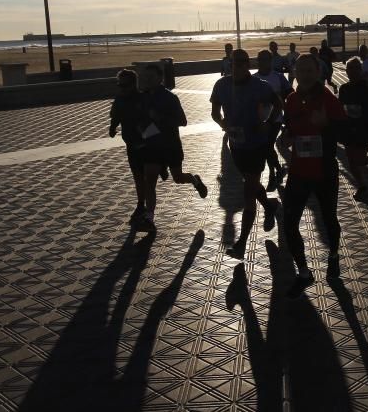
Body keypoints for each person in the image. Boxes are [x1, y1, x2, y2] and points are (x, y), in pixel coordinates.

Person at [282, 54, 348, 297]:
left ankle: (333, 254)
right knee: (289, 223)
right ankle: (303, 272)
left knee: (329, 218)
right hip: (299, 171)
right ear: (295, 72)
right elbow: (290, 128)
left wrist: (326, 126)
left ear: (318, 72)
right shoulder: (290, 99)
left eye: (310, 70)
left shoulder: (328, 99)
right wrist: (286, 137)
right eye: (301, 70)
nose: (305, 74)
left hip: (324, 171)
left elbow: (345, 133)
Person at [210, 48, 283, 258]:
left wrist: (268, 124)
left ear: (248, 63)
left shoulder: (261, 86)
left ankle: (241, 243)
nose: (239, 65)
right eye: (235, 62)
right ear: (230, 63)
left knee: (248, 191)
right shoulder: (222, 85)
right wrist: (224, 125)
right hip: (237, 145)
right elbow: (214, 113)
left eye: (243, 62)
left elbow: (278, 105)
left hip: (257, 145)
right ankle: (270, 205)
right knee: (250, 182)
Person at [137, 63, 208, 230]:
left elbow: (183, 121)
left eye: (151, 77)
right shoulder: (143, 97)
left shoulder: (170, 98)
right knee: (150, 181)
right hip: (152, 146)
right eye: (146, 77)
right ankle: (150, 217)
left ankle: (194, 180)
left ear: (160, 78)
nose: (147, 80)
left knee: (178, 178)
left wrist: (160, 118)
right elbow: (140, 119)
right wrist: (141, 130)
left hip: (170, 145)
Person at [339, 57, 368, 202]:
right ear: (346, 71)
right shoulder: (344, 88)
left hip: (365, 127)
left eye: (356, 68)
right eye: (350, 68)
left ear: (361, 70)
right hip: (348, 128)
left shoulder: (367, 86)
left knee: (357, 158)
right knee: (351, 160)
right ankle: (362, 186)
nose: (353, 71)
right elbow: (340, 109)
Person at [109, 69, 147, 224]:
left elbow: (153, 122)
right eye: (120, 85)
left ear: (134, 84)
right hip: (131, 143)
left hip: (147, 143)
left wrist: (149, 137)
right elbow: (115, 116)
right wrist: (112, 128)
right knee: (138, 175)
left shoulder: (143, 99)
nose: (122, 88)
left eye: (125, 85)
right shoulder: (119, 99)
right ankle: (141, 205)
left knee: (150, 174)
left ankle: (163, 167)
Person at [255, 50, 292, 191]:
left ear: (270, 61)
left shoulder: (278, 77)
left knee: (268, 146)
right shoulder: (254, 79)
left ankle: (272, 175)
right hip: (259, 121)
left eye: (266, 59)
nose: (263, 62)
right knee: (266, 147)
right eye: (260, 59)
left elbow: (290, 94)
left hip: (275, 119)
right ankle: (278, 169)